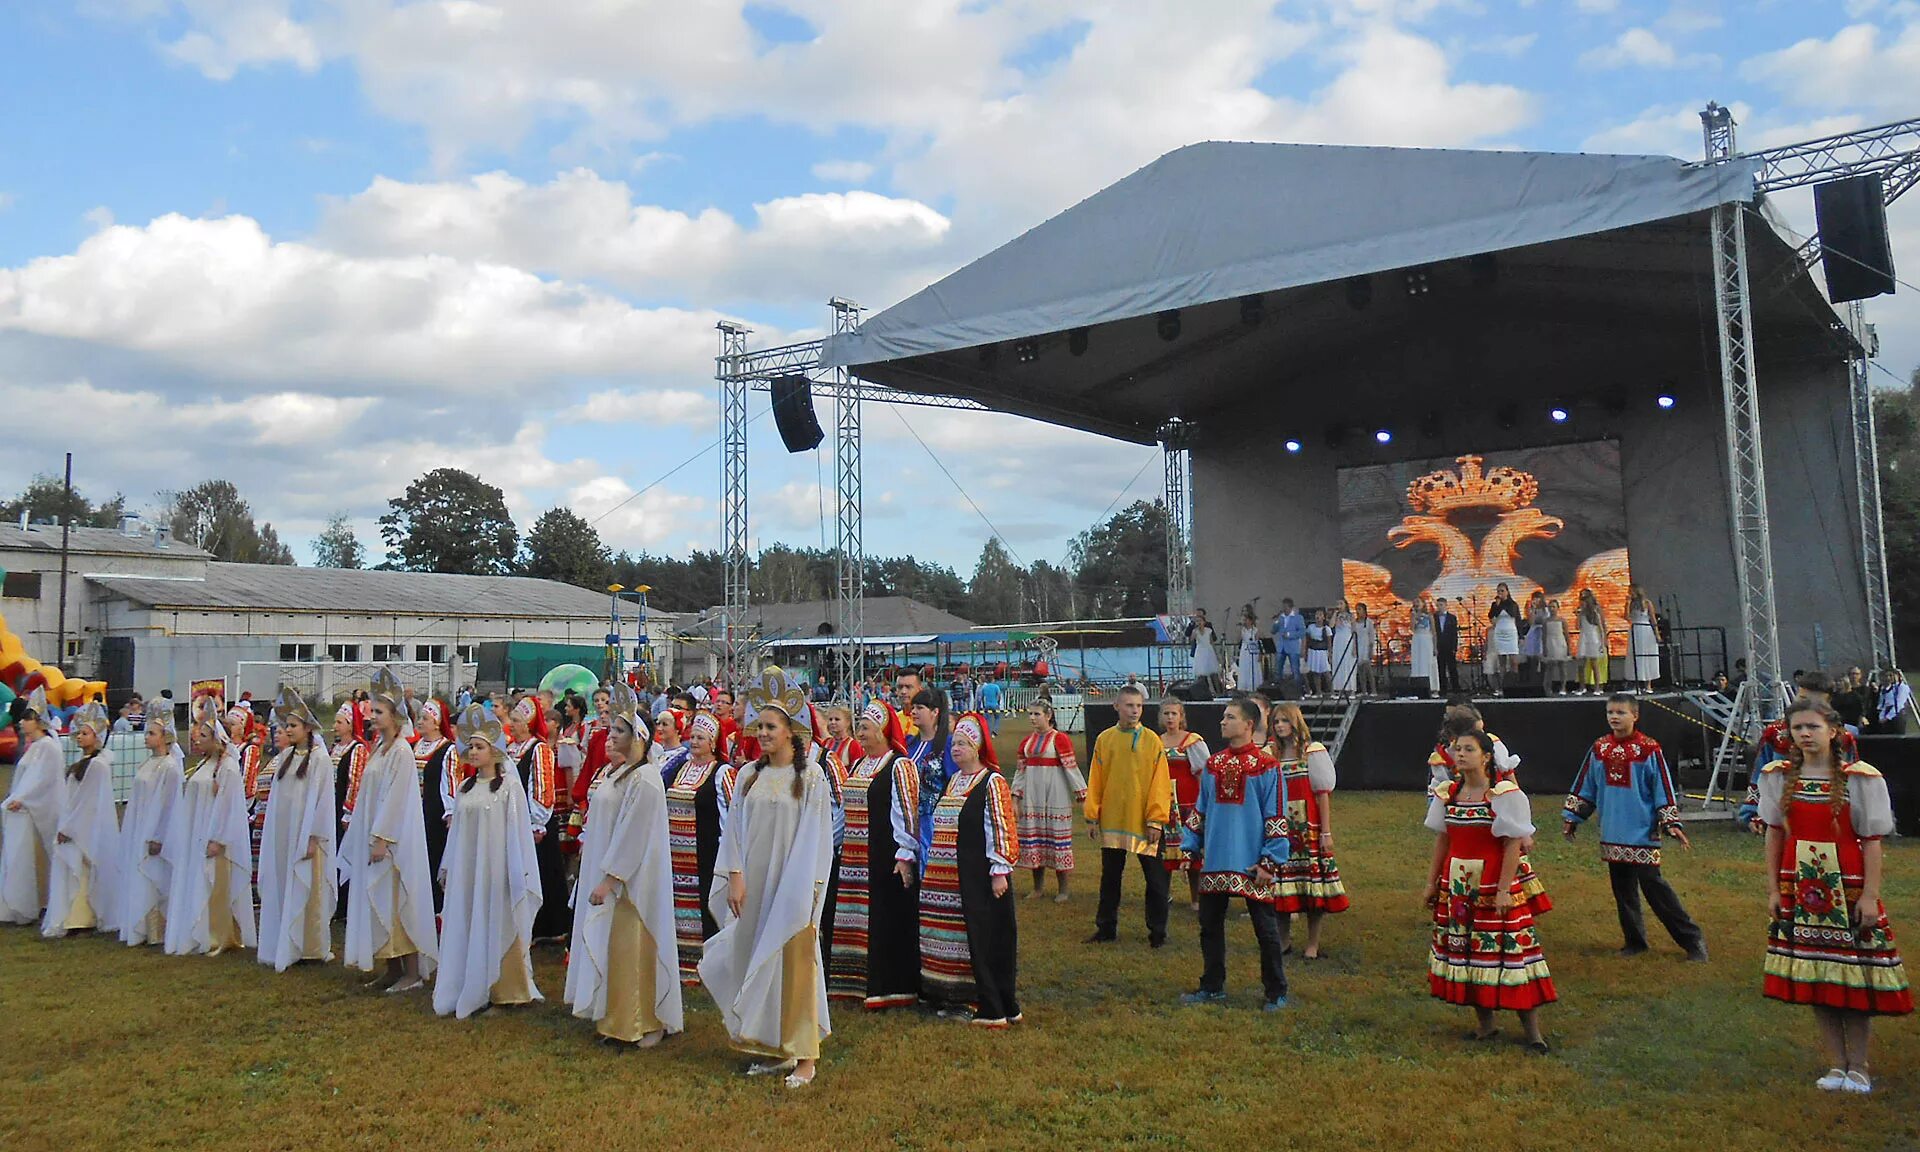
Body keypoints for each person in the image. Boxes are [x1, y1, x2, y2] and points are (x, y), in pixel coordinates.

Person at [1756, 699, 1911, 1093]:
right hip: (1801, 888)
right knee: (1818, 977)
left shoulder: (1859, 779)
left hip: (1847, 886)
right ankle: (1836, 1064)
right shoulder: (1778, 777)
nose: (1805, 734)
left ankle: (1859, 1065)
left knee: (1853, 979)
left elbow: (1872, 842)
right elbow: (1775, 835)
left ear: (1834, 732)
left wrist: (1870, 897)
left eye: (1813, 727)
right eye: (1797, 728)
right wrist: (1774, 889)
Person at [698, 689, 836, 1090]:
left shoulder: (810, 778)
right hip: (754, 887)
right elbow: (734, 831)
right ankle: (778, 1048)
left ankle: (805, 1055)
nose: (762, 733)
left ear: (792, 733)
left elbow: (816, 838)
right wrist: (735, 875)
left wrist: (805, 890)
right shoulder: (747, 775)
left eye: (770, 727)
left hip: (792, 884)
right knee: (757, 957)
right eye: (759, 725)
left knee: (795, 964)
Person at [1424, 729, 1555, 1051]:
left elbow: (1512, 845)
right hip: (1458, 886)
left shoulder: (1502, 795)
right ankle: (1485, 1025)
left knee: (1512, 953)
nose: (1461, 754)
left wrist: (1503, 890)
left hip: (1493, 883)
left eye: (1469, 749)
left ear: (1485, 757)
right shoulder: (1448, 794)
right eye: (1458, 749)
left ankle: (1533, 1032)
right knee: (1468, 953)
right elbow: (1443, 840)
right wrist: (1432, 883)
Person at [570, 686, 682, 1046]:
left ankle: (646, 1022)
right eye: (612, 729)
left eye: (620, 730)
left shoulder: (646, 779)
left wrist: (611, 878)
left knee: (636, 947)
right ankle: (618, 1018)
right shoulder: (619, 774)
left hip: (636, 880)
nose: (612, 735)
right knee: (617, 949)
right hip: (613, 872)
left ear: (639, 738)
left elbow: (634, 833)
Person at [1563, 694, 1707, 962]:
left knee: (1656, 889)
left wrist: (1670, 822)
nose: (1614, 717)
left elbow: (1662, 787)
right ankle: (1634, 941)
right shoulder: (1600, 748)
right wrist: (1573, 816)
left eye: (1620, 712)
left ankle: (1692, 941)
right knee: (1623, 889)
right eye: (1610, 712)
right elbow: (1587, 785)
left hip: (1642, 830)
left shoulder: (1649, 749)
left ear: (1635, 716)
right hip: (1613, 830)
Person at [1178, 696, 1290, 1011]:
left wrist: (1271, 860)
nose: (1222, 722)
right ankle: (1212, 985)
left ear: (1248, 725)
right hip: (1216, 859)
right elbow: (1201, 809)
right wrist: (1190, 844)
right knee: (1209, 926)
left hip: (1253, 861)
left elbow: (1275, 815)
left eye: (1229, 717)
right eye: (1223, 717)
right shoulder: (1214, 764)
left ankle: (1276, 990)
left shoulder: (1267, 766)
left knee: (1265, 929)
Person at [436, 703, 543, 1020]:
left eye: (480, 747)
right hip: (470, 871)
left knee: (499, 923)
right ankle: (472, 985)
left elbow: (517, 832)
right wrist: (448, 866)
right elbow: (457, 835)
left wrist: (515, 871)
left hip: (496, 871)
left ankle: (506, 992)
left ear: (494, 751)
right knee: (472, 922)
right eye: (470, 746)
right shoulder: (466, 788)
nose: (473, 752)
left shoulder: (508, 787)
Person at [919, 713, 1020, 1026]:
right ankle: (952, 996)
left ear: (978, 747)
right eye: (954, 743)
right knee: (951, 937)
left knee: (978, 936)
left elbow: (1001, 825)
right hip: (944, 877)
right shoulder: (954, 781)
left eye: (963, 743)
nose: (956, 749)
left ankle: (982, 999)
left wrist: (1000, 869)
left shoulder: (992, 781)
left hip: (974, 875)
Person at [342, 669, 438, 993]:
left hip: (395, 842)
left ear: (395, 716)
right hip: (376, 837)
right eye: (372, 711)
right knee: (379, 901)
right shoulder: (380, 749)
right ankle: (390, 966)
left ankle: (411, 972)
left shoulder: (401, 752)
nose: (372, 716)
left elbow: (397, 798)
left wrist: (382, 837)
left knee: (399, 902)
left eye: (379, 712)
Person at [828, 700, 920, 1010]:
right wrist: (830, 842)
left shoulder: (899, 765)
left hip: (883, 856)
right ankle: (852, 983)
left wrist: (905, 854)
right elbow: (843, 810)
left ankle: (888, 986)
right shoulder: (857, 766)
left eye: (866, 728)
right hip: (854, 856)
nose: (861, 733)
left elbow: (907, 813)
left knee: (883, 920)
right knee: (854, 917)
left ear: (882, 731)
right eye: (860, 728)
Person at [163, 700, 256, 956]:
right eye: (197, 734)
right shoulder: (204, 764)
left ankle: (219, 935)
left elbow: (230, 806)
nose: (197, 738)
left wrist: (219, 838)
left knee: (214, 885)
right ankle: (198, 930)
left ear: (217, 738)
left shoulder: (227, 767)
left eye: (203, 735)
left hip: (215, 837)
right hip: (198, 833)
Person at [1084, 683, 1172, 948]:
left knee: (1156, 880)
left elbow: (1161, 782)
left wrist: (1156, 819)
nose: (1135, 711)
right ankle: (1106, 928)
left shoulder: (1152, 741)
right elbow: (1096, 779)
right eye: (1130, 706)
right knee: (1110, 877)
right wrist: (1092, 815)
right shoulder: (1104, 739)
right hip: (1113, 818)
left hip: (1144, 820)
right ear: (1117, 707)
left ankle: (1157, 932)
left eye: (1139, 706)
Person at [256, 687, 337, 970]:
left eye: (292, 725)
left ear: (307, 727)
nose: (287, 730)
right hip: (284, 834)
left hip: (307, 836)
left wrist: (314, 836)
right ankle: (283, 940)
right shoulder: (285, 758)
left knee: (307, 887)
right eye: (285, 725)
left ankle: (309, 946)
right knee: (283, 883)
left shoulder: (319, 759)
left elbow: (324, 800)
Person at [1266, 703, 1348, 959]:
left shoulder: (1312, 751)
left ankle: (1312, 943)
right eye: (1276, 721)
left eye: (1284, 721)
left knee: (1313, 889)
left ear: (1295, 723)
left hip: (1307, 830)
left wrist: (1326, 832)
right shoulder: (1270, 754)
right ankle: (1283, 940)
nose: (1280, 726)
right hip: (1279, 831)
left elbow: (1322, 794)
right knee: (1280, 888)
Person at [664, 712, 741, 984]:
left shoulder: (722, 773)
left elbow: (731, 815)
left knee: (706, 905)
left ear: (712, 742)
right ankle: (680, 958)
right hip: (676, 853)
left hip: (706, 851)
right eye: (692, 736)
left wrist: (726, 851)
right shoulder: (679, 768)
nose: (694, 742)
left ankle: (708, 962)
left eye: (701, 738)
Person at [1738, 671, 1860, 834]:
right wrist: (1754, 813)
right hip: (1783, 815)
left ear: (1828, 703)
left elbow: (1853, 779)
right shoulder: (1775, 733)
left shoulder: (1842, 736)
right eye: (1802, 699)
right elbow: (1760, 775)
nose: (1806, 707)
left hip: (1830, 816)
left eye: (1815, 703)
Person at [44, 701, 122, 937]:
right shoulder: (82, 764)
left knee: (83, 872)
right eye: (78, 732)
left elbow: (88, 802)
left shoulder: (97, 766)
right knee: (74, 872)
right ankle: (72, 916)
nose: (79, 736)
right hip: (74, 823)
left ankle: (82, 918)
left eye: (85, 733)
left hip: (84, 828)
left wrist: (70, 827)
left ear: (97, 737)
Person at [505, 696, 570, 945]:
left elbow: (543, 787)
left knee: (542, 872)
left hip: (535, 823)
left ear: (529, 724)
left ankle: (547, 926)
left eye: (517, 721)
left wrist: (537, 821)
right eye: (512, 720)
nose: (512, 724)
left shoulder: (538, 749)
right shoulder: (512, 748)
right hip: (515, 818)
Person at [119, 706, 184, 946]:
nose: (147, 737)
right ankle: (139, 924)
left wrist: (158, 835)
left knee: (154, 877)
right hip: (140, 826)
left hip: (156, 831)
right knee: (139, 875)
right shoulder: (148, 764)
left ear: (165, 737)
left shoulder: (170, 767)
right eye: (147, 733)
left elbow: (168, 805)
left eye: (152, 733)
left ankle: (156, 928)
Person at [1011, 700, 1085, 902]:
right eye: (1031, 714)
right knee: (1035, 840)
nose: (1033, 718)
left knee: (1057, 840)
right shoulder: (1026, 742)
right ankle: (1037, 888)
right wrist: (1015, 798)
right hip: (1032, 797)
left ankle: (1063, 889)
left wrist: (1082, 795)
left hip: (1055, 795)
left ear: (1048, 715)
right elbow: (1020, 772)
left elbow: (1071, 769)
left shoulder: (1060, 739)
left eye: (1037, 714)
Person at [1, 689, 64, 925]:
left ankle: (41, 902)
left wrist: (23, 798)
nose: (21, 723)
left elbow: (43, 779)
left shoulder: (48, 746)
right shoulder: (36, 747)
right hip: (27, 811)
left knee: (40, 858)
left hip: (40, 812)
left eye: (26, 719)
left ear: (37, 721)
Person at [1156, 698, 1208, 911]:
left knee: (1192, 851)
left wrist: (1203, 802)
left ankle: (1195, 898)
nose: (1170, 717)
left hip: (1188, 802)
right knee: (1163, 850)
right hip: (1164, 803)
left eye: (1174, 714)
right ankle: (1163, 895)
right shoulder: (1156, 741)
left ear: (1181, 716)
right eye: (1166, 713)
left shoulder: (1192, 741)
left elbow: (1203, 773)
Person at [413, 698, 457, 911]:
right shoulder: (414, 746)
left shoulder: (447, 749)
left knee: (433, 856)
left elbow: (451, 783)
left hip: (435, 813)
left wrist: (450, 812)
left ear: (437, 722)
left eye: (425, 718)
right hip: (414, 811)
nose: (420, 722)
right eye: (419, 718)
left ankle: (435, 907)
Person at [905, 687, 956, 864]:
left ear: (935, 712)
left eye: (920, 707)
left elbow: (954, 783)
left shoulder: (948, 744)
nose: (913, 711)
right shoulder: (908, 743)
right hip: (905, 820)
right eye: (913, 707)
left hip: (935, 822)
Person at [1487, 584, 1522, 696]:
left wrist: (1520, 636)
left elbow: (1516, 618)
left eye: (1502, 591)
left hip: (1511, 632)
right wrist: (1497, 605)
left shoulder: (1513, 604)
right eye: (1498, 591)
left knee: (1513, 661)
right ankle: (1503, 687)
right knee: (1502, 662)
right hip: (1500, 632)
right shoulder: (1495, 604)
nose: (1500, 593)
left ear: (1507, 591)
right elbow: (1491, 616)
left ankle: (1514, 685)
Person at [1627, 584, 1660, 693]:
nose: (1629, 593)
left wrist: (1657, 634)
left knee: (1647, 655)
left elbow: (1653, 619)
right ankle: (1636, 684)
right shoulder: (1631, 603)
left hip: (1645, 629)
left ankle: (1648, 685)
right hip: (1635, 629)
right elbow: (1627, 617)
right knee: (1636, 656)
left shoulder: (1647, 603)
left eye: (1631, 591)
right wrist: (1627, 604)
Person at [1576, 588, 1608, 695]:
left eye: (1584, 600)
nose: (1582, 602)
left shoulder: (1595, 612)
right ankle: (1582, 687)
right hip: (1584, 637)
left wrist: (1603, 641)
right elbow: (1578, 627)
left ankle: (1597, 688)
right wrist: (1578, 615)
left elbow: (1601, 627)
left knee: (1594, 664)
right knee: (1581, 664)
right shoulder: (1582, 613)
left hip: (1593, 638)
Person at [1409, 596, 1439, 698]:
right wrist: (1414, 616)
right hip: (1417, 639)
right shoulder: (1413, 614)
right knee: (1418, 663)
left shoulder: (1429, 615)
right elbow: (1412, 628)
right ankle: (1418, 688)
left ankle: (1433, 688)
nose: (1416, 603)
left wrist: (1435, 646)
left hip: (1427, 639)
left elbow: (1434, 632)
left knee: (1428, 663)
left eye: (1418, 601)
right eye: (1415, 602)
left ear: (1423, 603)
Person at [1189, 609, 1222, 697]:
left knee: (1213, 673)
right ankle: (1202, 693)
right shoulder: (1195, 631)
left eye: (1200, 621)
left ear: (1204, 621)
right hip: (1200, 651)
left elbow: (1212, 642)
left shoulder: (1208, 630)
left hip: (1208, 651)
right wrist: (1194, 630)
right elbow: (1191, 640)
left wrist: (1216, 654)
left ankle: (1219, 692)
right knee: (1201, 674)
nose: (1199, 623)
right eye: (1197, 621)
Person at [1541, 599, 1571, 695]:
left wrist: (1569, 648)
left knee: (1562, 666)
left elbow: (1566, 635)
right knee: (1549, 667)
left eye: (1554, 607)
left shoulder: (1562, 621)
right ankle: (1548, 688)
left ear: (1558, 608)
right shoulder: (1545, 621)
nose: (1552, 609)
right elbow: (1544, 635)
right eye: (1550, 607)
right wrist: (1544, 647)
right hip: (1550, 643)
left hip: (1560, 643)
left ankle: (1563, 687)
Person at [1273, 601, 1305, 690]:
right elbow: (1273, 631)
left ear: (1290, 607)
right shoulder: (1281, 618)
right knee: (1278, 670)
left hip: (1293, 647)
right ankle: (1278, 690)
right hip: (1281, 647)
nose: (1283, 609)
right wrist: (1276, 621)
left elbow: (1302, 632)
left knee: (1295, 670)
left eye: (1285, 607)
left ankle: (1298, 690)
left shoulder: (1298, 618)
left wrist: (1290, 635)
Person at [1330, 601, 1358, 699]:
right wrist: (1335, 613)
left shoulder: (1351, 616)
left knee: (1348, 664)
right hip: (1338, 641)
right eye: (1337, 603)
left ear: (1346, 604)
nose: (1339, 605)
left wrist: (1354, 646)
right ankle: (1339, 689)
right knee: (1339, 663)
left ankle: (1352, 690)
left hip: (1348, 640)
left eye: (1341, 603)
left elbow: (1354, 631)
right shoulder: (1336, 615)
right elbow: (1331, 625)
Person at [1434, 596, 1460, 695]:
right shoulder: (1434, 617)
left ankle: (1456, 689)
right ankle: (1443, 689)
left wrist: (1454, 647)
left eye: (1441, 605)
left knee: (1452, 668)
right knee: (1441, 669)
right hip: (1439, 646)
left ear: (1446, 605)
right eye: (1438, 605)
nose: (1439, 607)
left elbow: (1454, 634)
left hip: (1449, 646)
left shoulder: (1452, 618)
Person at [1302, 609, 1331, 697]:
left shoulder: (1326, 629)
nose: (1317, 617)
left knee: (1326, 672)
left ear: (1323, 617)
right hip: (1313, 651)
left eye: (1320, 615)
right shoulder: (1311, 627)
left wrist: (1330, 653)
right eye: (1316, 615)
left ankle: (1332, 691)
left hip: (1322, 651)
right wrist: (1305, 652)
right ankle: (1319, 692)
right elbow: (1307, 640)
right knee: (1315, 673)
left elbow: (1329, 642)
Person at [1521, 590, 1548, 683]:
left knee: (1543, 658)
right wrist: (1532, 610)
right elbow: (1531, 622)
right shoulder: (1533, 610)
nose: (1535, 600)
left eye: (1537, 598)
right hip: (1533, 633)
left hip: (1543, 633)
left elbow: (1546, 621)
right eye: (1534, 598)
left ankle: (1544, 680)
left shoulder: (1546, 610)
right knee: (1533, 657)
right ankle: (1533, 680)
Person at [1353, 602, 1378, 697]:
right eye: (1357, 609)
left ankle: (1373, 690)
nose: (1358, 611)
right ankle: (1364, 691)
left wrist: (1371, 649)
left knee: (1368, 670)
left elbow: (1371, 636)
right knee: (1360, 671)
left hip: (1366, 646)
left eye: (1359, 609)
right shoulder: (1354, 623)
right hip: (1358, 647)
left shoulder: (1369, 622)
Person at [1235, 607, 1261, 693]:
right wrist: (1239, 630)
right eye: (1243, 620)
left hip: (1253, 651)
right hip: (1244, 650)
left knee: (1253, 668)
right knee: (1244, 668)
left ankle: (1253, 687)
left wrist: (1260, 654)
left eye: (1246, 620)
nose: (1245, 622)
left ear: (1250, 621)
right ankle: (1244, 687)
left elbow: (1258, 643)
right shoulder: (1242, 630)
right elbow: (1238, 640)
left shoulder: (1255, 630)